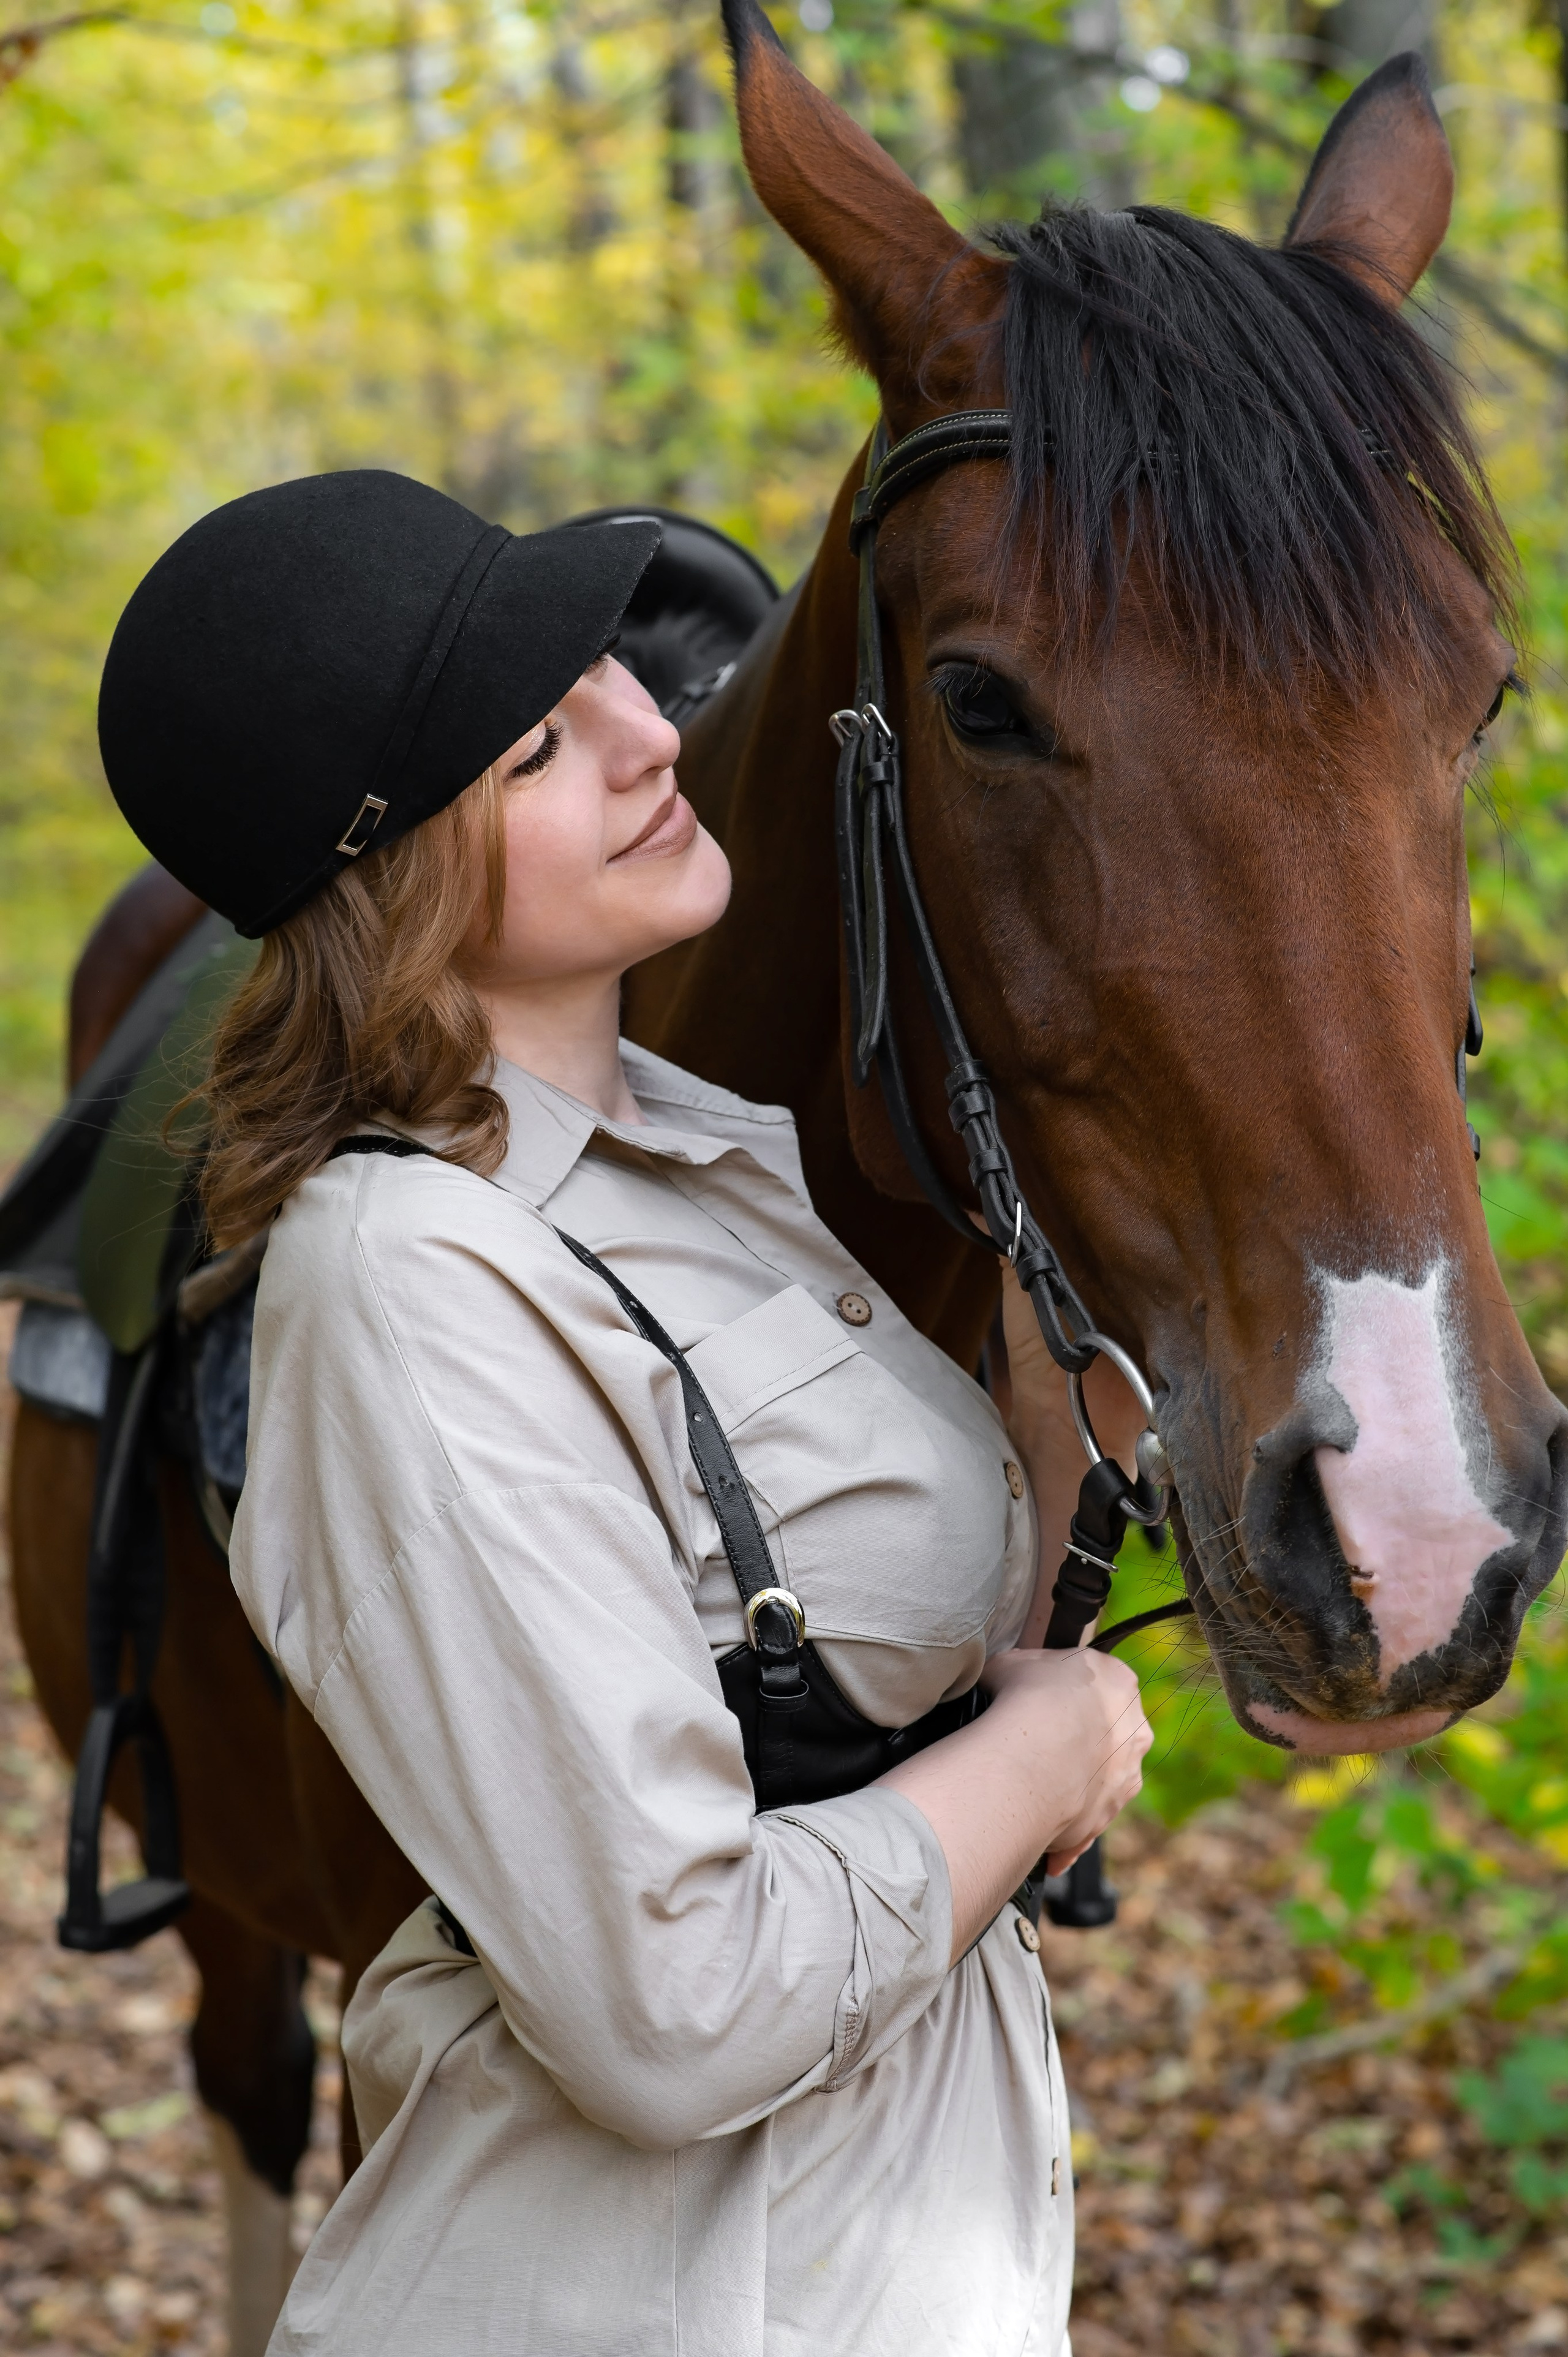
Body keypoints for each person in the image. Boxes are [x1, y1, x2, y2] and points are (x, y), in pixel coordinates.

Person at [99, 469, 1153, 2357]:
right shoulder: (412, 1285)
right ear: (389, 865)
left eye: (607, 673)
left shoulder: (709, 1169)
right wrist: (1048, 1759)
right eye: (536, 746)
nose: (655, 730)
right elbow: (674, 2008)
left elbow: (843, 1653)